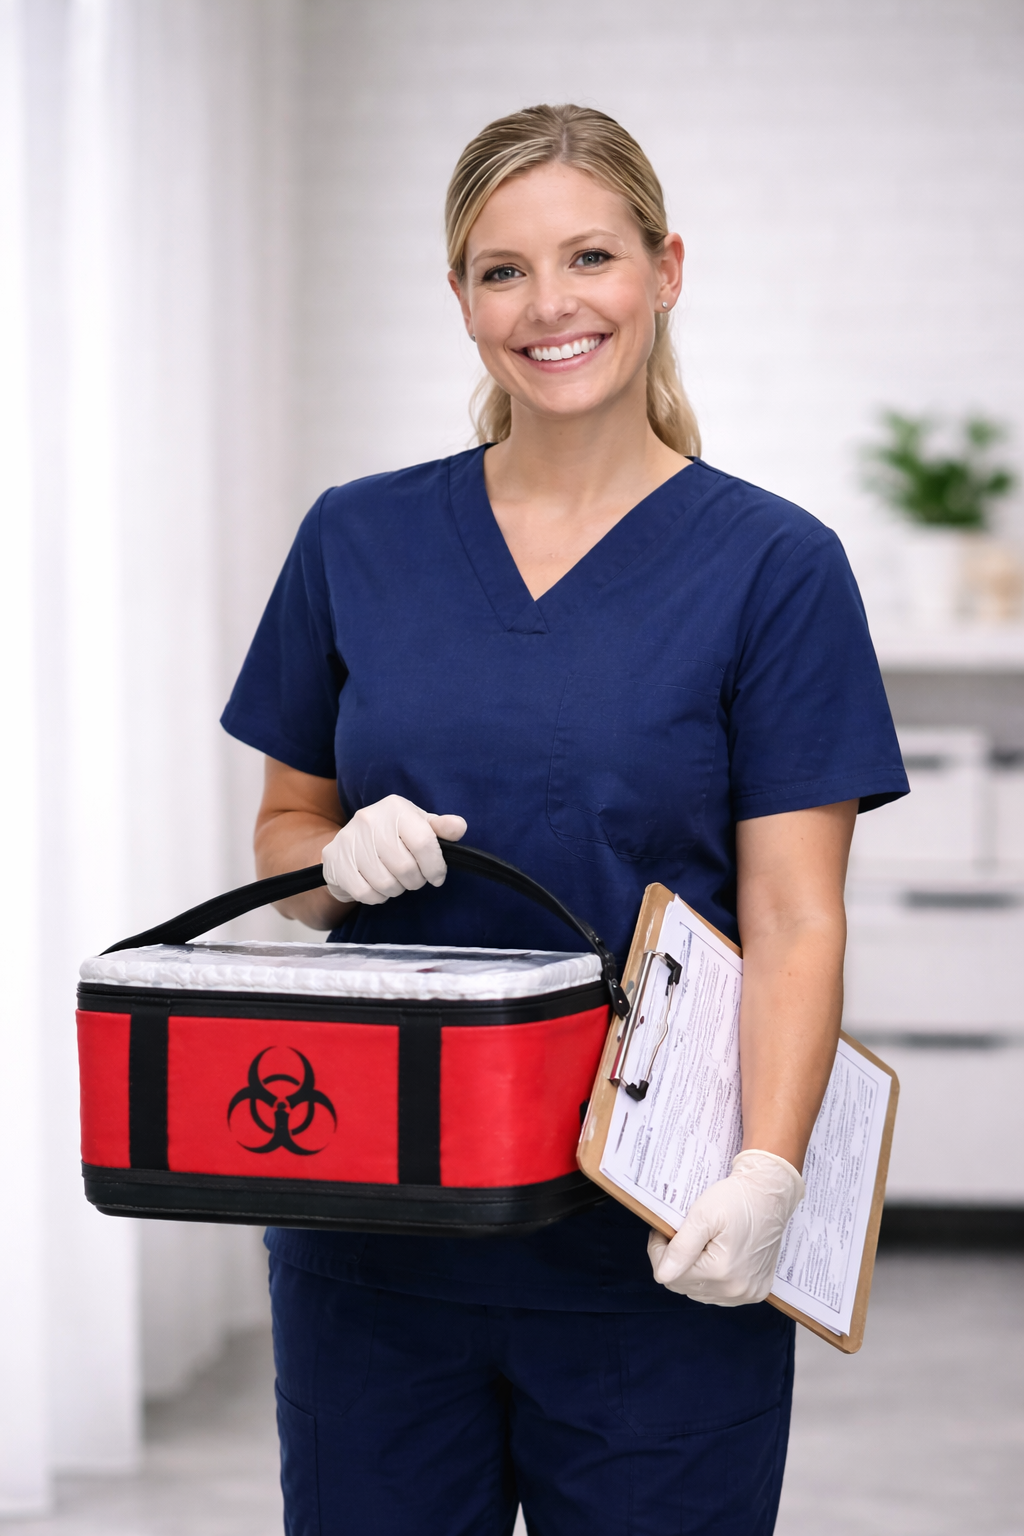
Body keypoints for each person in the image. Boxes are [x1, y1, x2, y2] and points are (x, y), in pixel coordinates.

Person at [222, 103, 908, 1536]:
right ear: (463, 299)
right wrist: (333, 865)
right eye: (502, 270)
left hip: (653, 1232)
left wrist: (769, 1174)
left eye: (588, 256)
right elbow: (284, 839)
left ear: (665, 269)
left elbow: (794, 912)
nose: (550, 307)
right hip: (380, 1219)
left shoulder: (776, 567)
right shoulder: (357, 538)